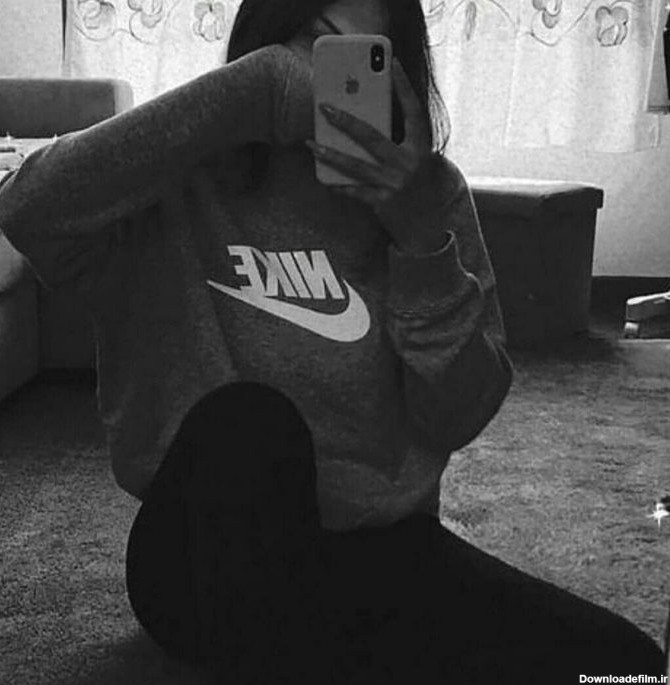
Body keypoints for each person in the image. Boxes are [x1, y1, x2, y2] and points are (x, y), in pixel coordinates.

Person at [0, 0, 663, 681]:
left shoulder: (430, 197)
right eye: (313, 46)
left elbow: (459, 412)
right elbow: (25, 206)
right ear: (263, 47)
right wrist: (253, 94)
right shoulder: (170, 182)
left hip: (377, 554)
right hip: (202, 550)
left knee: (627, 666)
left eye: (361, 58)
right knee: (250, 423)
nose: (324, 79)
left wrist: (418, 236)